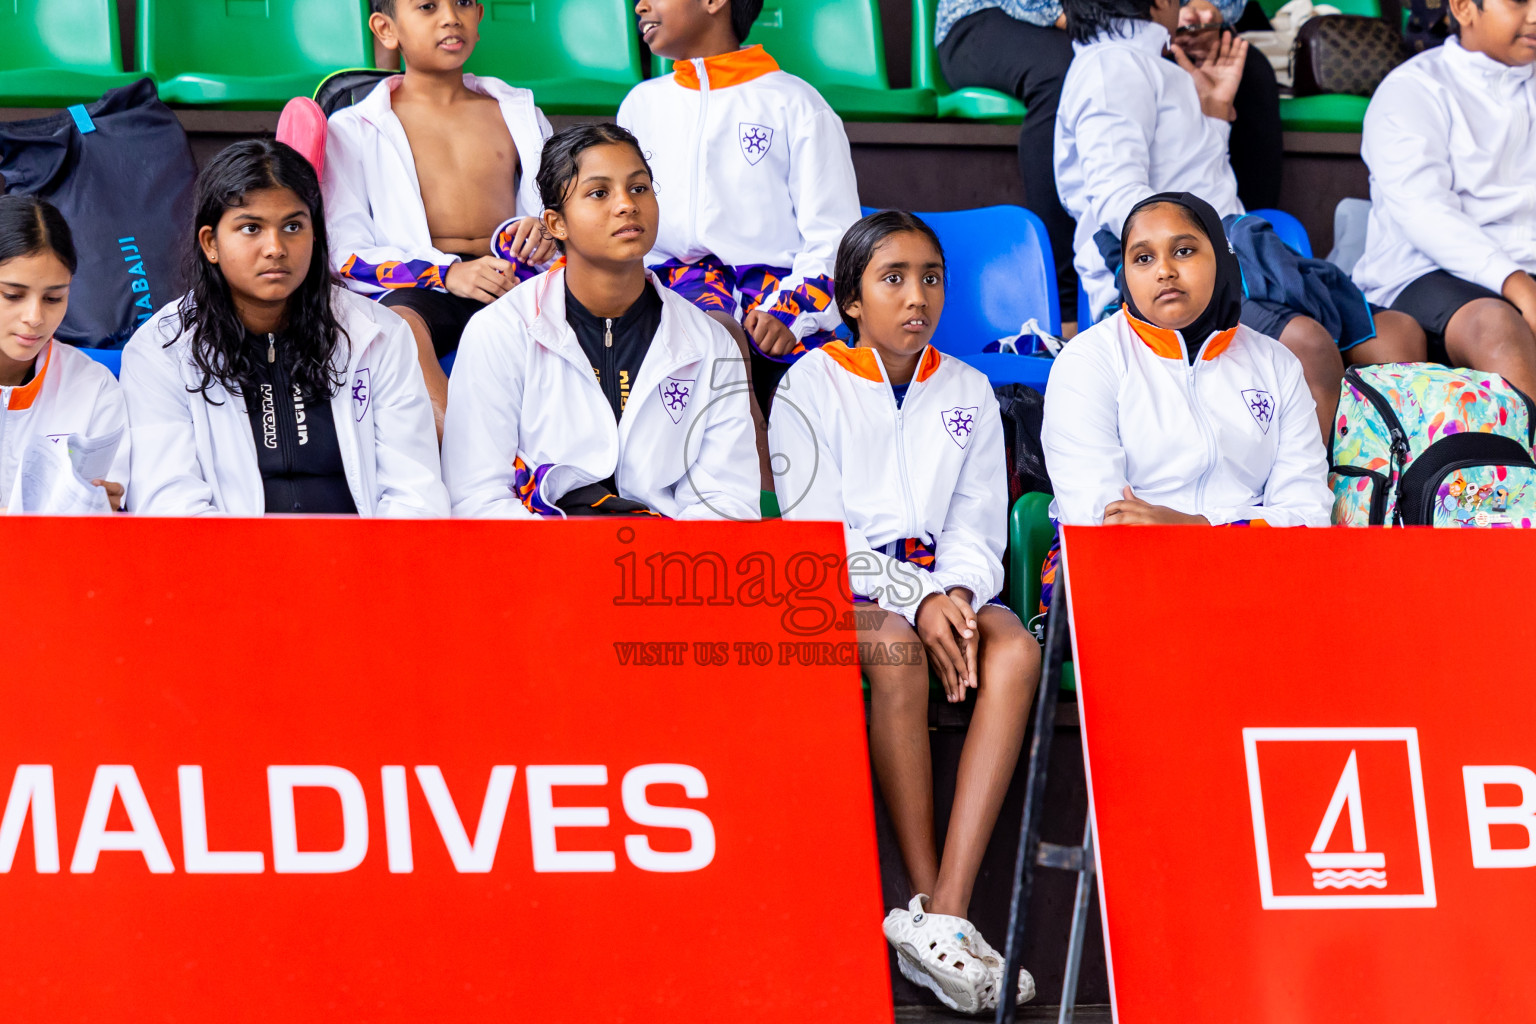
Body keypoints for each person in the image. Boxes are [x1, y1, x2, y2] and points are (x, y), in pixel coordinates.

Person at [769, 211, 1039, 1014]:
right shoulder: (808, 385)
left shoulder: (965, 388)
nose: (916, 295)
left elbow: (979, 525)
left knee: (1017, 650)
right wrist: (913, 597)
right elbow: (815, 534)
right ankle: (927, 902)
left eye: (930, 277)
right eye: (892, 278)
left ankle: (947, 914)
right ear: (851, 298)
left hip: (942, 587)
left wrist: (954, 594)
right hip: (844, 590)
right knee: (894, 648)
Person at [1055, 0, 1425, 432]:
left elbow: (1195, 181)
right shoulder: (1111, 67)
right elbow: (1119, 199)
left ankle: (1381, 484)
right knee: (1306, 346)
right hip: (1170, 281)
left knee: (1398, 334)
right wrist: (1214, 250)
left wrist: (1214, 116)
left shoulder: (1149, 62)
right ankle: (1306, 498)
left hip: (1232, 263)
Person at [440, 124, 761, 521]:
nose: (627, 204)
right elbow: (477, 496)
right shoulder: (500, 331)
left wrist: (658, 572)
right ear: (556, 224)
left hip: (665, 567)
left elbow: (726, 499)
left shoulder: (709, 342)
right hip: (541, 561)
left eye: (639, 188)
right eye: (599, 193)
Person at [122, 140, 448, 518]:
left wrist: (367, 573)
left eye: (293, 226)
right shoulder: (161, 349)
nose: (275, 247)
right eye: (251, 228)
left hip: (364, 566)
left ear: (316, 235)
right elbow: (170, 505)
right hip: (227, 569)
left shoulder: (379, 334)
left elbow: (415, 494)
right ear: (211, 243)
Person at [935, 0, 1284, 308]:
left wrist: (1206, 12)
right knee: (1066, 68)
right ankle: (1066, 306)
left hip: (1140, 15)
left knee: (1248, 70)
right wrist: (1114, 14)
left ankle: (1249, 253)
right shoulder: (1103, 67)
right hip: (1005, 15)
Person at [324, 0, 557, 435]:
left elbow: (560, 207)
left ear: (479, 17)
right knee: (402, 329)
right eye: (428, 6)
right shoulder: (354, 129)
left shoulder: (519, 114)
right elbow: (343, 253)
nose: (451, 16)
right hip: (421, 289)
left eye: (463, 3)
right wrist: (447, 274)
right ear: (386, 29)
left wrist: (544, 229)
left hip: (518, 281)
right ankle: (462, 468)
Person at [617, 0, 862, 416]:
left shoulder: (797, 104)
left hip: (779, 305)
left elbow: (836, 242)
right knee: (705, 341)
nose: (640, 5)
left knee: (821, 401)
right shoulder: (641, 105)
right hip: (669, 292)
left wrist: (791, 315)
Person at [1042, 193, 1332, 537]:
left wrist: (1198, 527)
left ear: (1222, 260)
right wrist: (1240, 527)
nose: (1164, 271)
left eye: (1183, 251)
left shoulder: (1277, 364)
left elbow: (1308, 514)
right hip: (1126, 569)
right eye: (1143, 258)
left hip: (1251, 567)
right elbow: (1104, 522)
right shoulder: (1088, 361)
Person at [1352, 0, 1536, 398]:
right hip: (1423, 270)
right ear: (1465, 7)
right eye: (1520, 1)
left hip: (1526, 270)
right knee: (1499, 329)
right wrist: (1521, 287)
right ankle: (1521, 461)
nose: (1535, 14)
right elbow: (1425, 213)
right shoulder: (1413, 88)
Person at [0, 195, 128, 513]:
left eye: (54, 298)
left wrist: (109, 503)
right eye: (12, 295)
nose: (34, 317)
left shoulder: (94, 388)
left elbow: (114, 493)